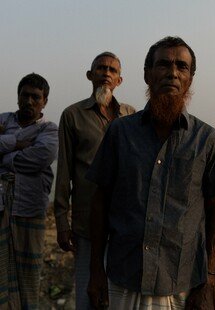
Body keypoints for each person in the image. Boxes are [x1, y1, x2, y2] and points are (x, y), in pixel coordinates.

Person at [87, 36, 215, 310]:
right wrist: (96, 269)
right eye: (163, 64)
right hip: (122, 276)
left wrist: (209, 277)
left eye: (182, 66)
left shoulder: (207, 140)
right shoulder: (120, 133)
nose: (172, 72)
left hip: (181, 282)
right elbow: (100, 201)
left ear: (190, 79)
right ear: (147, 75)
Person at [54, 51, 135, 309]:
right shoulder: (72, 115)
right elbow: (64, 170)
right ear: (90, 75)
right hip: (86, 222)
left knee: (119, 295)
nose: (106, 74)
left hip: (124, 223)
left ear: (119, 80)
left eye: (112, 70)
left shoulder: (131, 116)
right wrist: (61, 221)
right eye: (101, 68)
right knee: (88, 294)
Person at [0, 73, 58, 309]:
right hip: (1, 206)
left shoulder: (49, 129)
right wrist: (16, 142)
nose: (30, 102)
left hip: (29, 208)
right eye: (25, 95)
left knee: (28, 272)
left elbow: (40, 157)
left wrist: (3, 152)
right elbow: (28, 156)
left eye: (36, 97)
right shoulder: (4, 118)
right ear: (18, 97)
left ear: (44, 101)